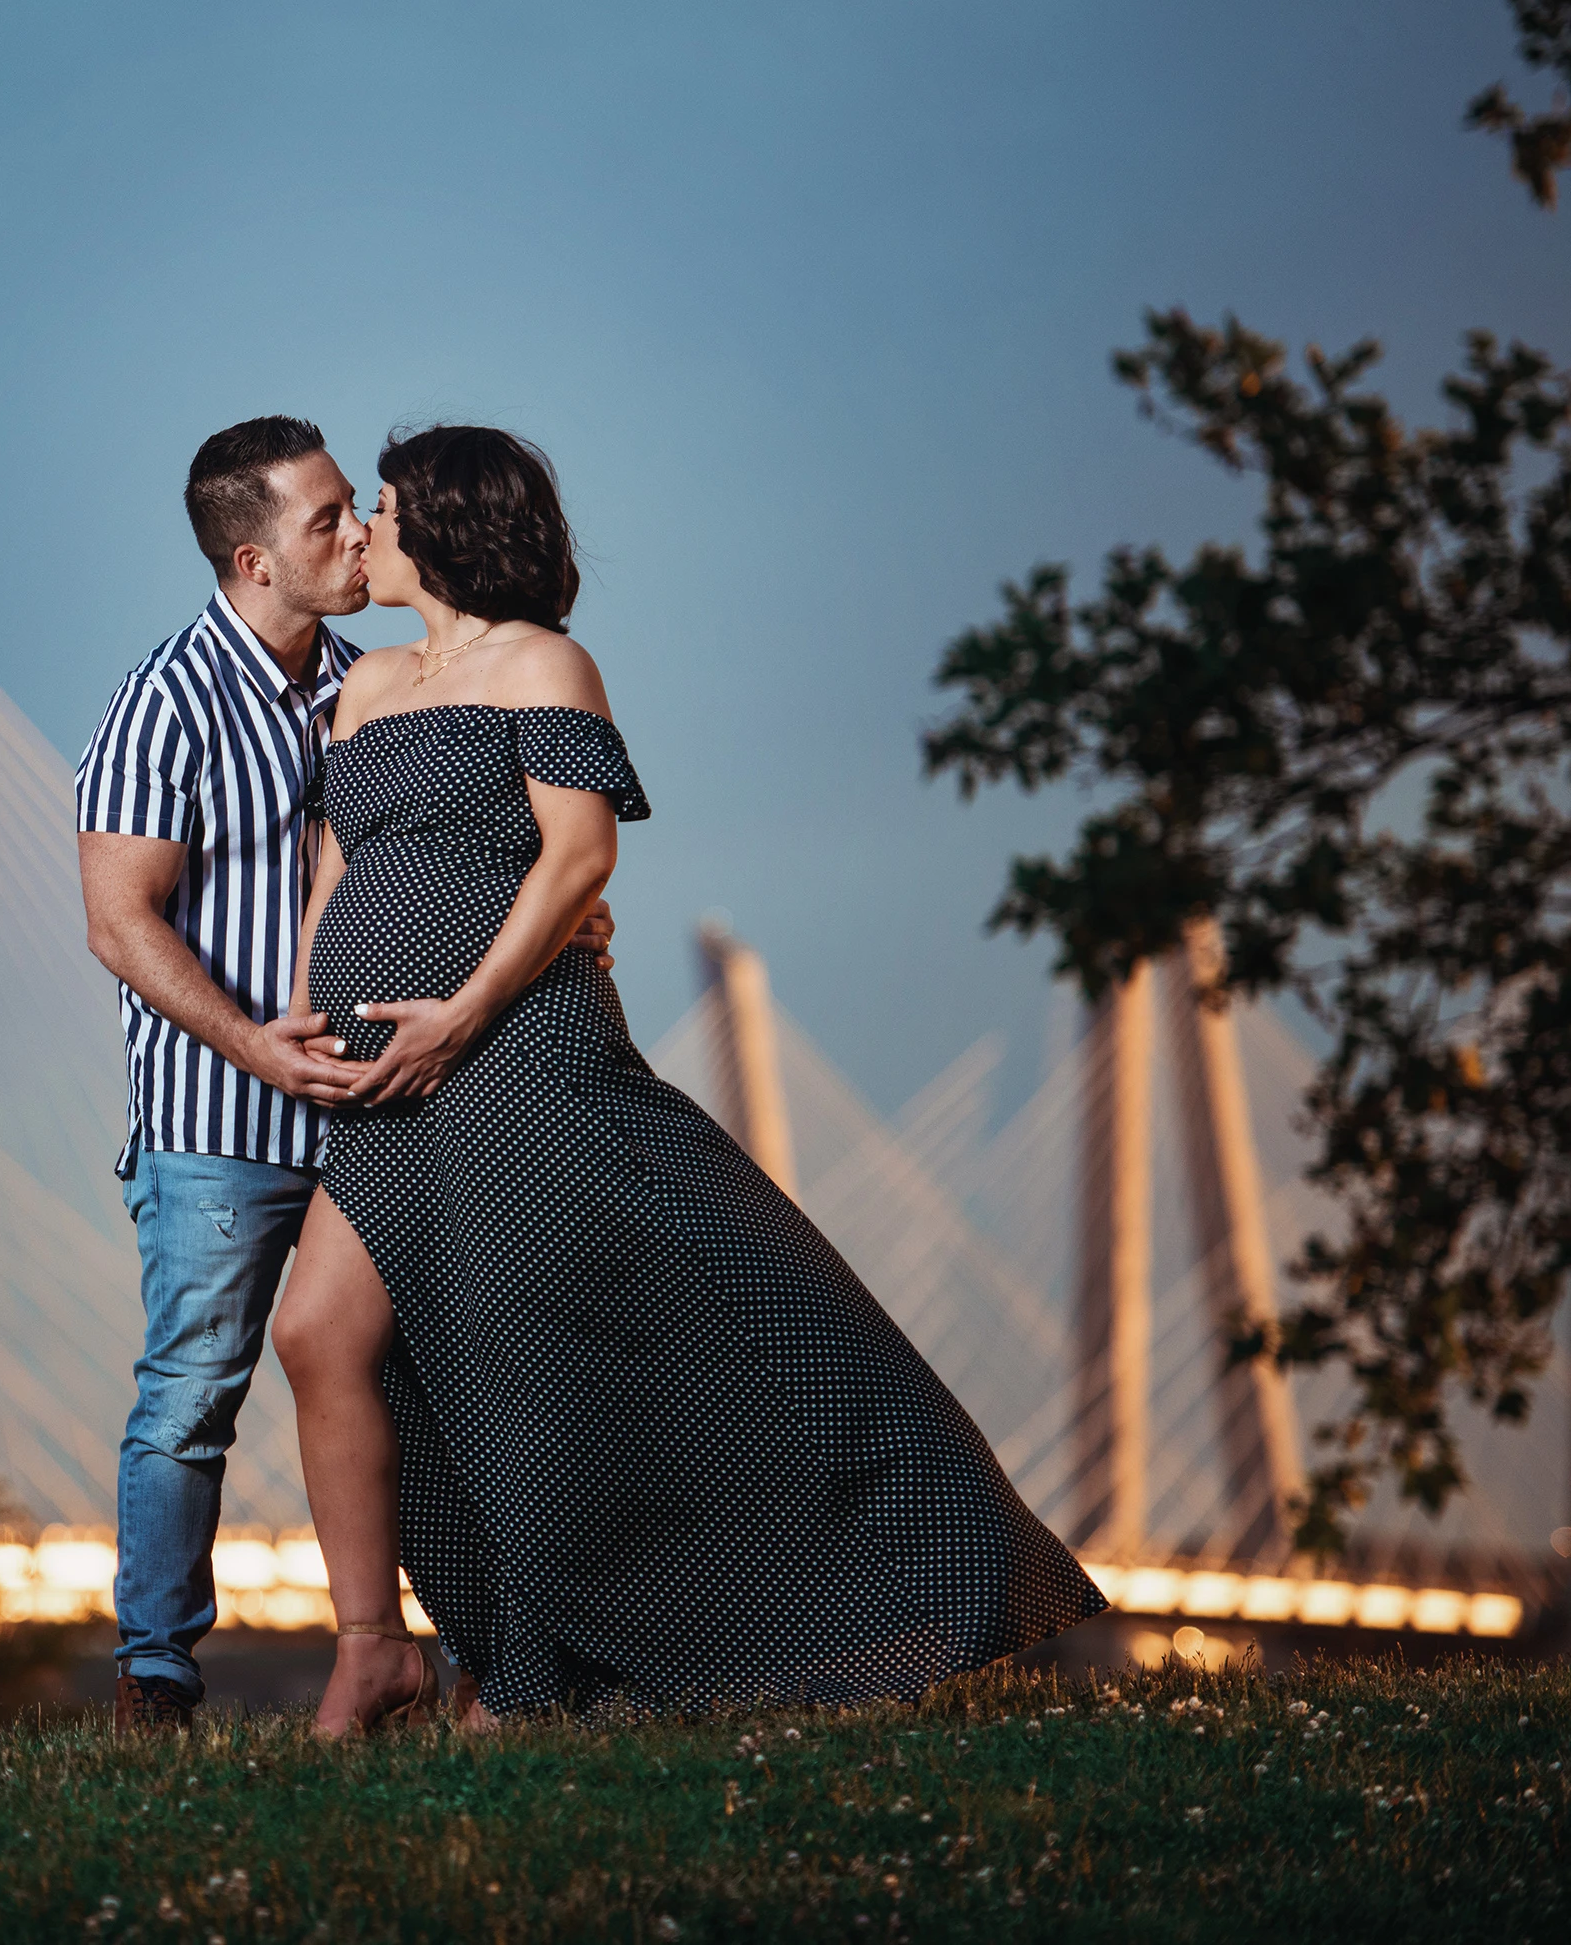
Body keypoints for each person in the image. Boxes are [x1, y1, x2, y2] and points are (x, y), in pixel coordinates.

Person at [269, 423, 1105, 1734]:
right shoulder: (366, 688)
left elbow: (577, 860)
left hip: (509, 1057)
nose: (362, 533)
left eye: (378, 508)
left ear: (442, 520)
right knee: (321, 1331)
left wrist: (464, 1013)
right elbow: (344, 869)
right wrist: (309, 1018)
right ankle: (379, 1645)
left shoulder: (546, 662)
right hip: (378, 1077)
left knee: (522, 1371)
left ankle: (539, 1675)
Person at [74, 415, 615, 1731]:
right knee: (199, 1386)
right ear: (256, 560)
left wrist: (551, 926)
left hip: (399, 1102)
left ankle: (479, 1651)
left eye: (357, 508)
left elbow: (502, 836)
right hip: (225, 1113)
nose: (355, 532)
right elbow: (120, 917)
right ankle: (161, 1673)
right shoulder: (170, 697)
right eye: (328, 520)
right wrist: (259, 1035)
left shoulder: (379, 673)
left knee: (435, 1373)